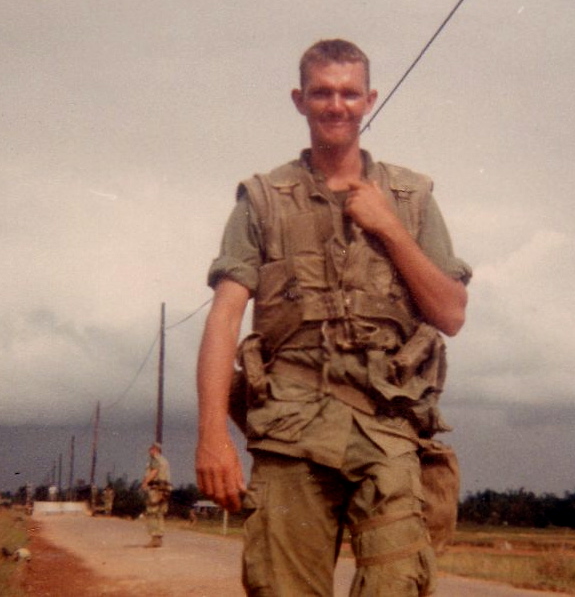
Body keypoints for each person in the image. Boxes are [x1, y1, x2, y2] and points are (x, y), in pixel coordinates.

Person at [195, 39, 470, 596]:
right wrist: (212, 436)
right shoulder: (262, 199)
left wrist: (389, 226)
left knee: (398, 585)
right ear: (300, 100)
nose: (336, 105)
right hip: (291, 429)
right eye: (322, 93)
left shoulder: (411, 197)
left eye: (349, 93)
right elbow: (224, 318)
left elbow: (450, 312)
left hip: (388, 428)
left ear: (369, 99)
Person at [142, 442, 171, 548]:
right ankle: (159, 538)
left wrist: (145, 482)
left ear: (155, 449)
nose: (149, 451)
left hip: (155, 489)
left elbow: (154, 471)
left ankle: (154, 537)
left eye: (151, 449)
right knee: (160, 513)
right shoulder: (164, 460)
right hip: (165, 490)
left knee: (152, 512)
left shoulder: (155, 459)